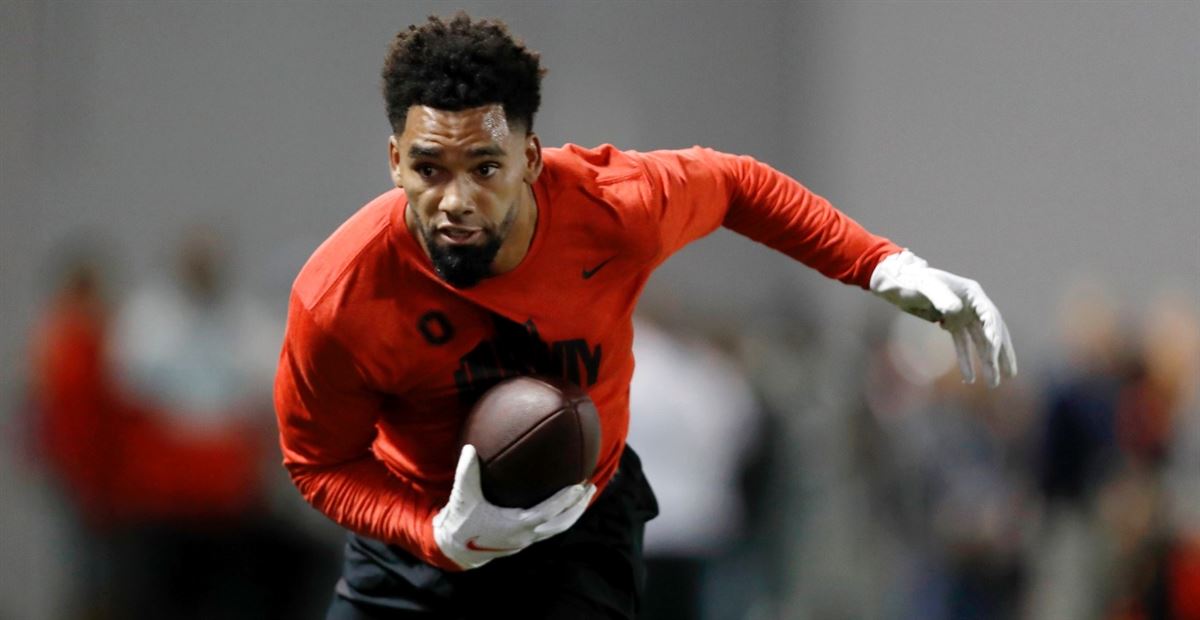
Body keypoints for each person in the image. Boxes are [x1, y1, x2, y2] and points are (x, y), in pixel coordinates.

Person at [273, 13, 1017, 619]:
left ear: (531, 159)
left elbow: (737, 186)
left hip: (577, 527)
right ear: (394, 160)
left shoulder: (611, 209)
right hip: (416, 539)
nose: (456, 199)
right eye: (429, 169)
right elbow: (318, 462)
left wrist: (881, 264)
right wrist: (432, 534)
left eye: (485, 169)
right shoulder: (339, 292)